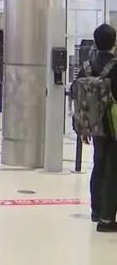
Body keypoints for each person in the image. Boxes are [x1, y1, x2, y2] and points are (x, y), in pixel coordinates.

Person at [79, 24, 117, 232]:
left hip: (93, 124)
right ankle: (107, 219)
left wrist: (84, 126)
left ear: (95, 42)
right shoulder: (115, 66)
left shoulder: (86, 65)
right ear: (114, 42)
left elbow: (78, 94)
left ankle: (96, 210)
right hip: (113, 124)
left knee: (98, 164)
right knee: (113, 170)